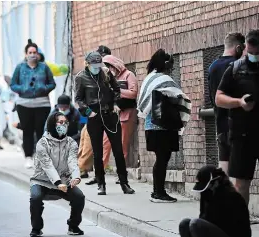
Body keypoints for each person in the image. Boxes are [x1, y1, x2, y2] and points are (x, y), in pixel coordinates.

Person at [215, 29, 259, 237]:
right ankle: (240, 224)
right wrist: (239, 102)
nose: (253, 54)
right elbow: (218, 98)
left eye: (256, 50)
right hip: (242, 135)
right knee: (241, 182)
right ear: (244, 47)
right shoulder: (234, 69)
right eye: (249, 50)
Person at [75, 51, 135, 195]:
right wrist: (88, 112)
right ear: (87, 64)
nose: (97, 68)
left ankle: (124, 183)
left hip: (110, 114)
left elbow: (116, 90)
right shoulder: (81, 77)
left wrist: (116, 103)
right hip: (94, 116)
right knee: (97, 152)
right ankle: (101, 184)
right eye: (94, 65)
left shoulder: (106, 73)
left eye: (98, 65)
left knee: (118, 150)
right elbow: (78, 99)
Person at [137, 49, 191, 202]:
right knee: (162, 159)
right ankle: (158, 192)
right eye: (171, 66)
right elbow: (176, 96)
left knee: (161, 159)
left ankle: (158, 191)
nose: (172, 69)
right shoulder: (163, 79)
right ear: (166, 65)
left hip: (151, 126)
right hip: (162, 126)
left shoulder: (149, 78)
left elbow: (145, 103)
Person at [179, 165, 251, 237]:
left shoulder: (231, 197)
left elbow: (217, 224)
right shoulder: (208, 194)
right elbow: (204, 219)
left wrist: (210, 205)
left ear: (216, 182)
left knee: (195, 224)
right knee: (184, 224)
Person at [29, 112, 85, 237]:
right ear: (52, 124)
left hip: (63, 182)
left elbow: (72, 161)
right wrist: (57, 182)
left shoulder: (71, 143)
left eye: (65, 122)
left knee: (79, 197)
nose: (63, 125)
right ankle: (36, 228)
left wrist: (76, 176)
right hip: (41, 181)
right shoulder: (42, 144)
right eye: (60, 122)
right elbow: (47, 165)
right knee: (35, 198)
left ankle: (73, 226)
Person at [86, 54, 138, 185]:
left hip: (126, 114)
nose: (109, 69)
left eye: (110, 66)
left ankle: (121, 175)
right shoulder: (107, 77)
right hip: (110, 115)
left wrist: (117, 90)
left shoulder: (128, 75)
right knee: (104, 144)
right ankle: (98, 173)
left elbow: (133, 93)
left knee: (122, 145)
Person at [10, 39, 56, 169]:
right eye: (30, 52)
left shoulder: (44, 67)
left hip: (42, 103)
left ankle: (41, 156)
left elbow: (52, 83)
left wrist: (43, 88)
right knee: (27, 130)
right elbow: (13, 84)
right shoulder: (20, 67)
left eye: (34, 52)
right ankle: (28, 156)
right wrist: (22, 89)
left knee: (40, 130)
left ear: (38, 53)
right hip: (24, 104)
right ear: (26, 54)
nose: (32, 54)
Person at [208, 33, 245, 174]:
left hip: (221, 122)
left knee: (224, 163)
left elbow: (213, 97)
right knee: (239, 170)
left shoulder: (213, 67)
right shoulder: (236, 66)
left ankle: (222, 194)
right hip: (238, 123)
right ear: (237, 47)